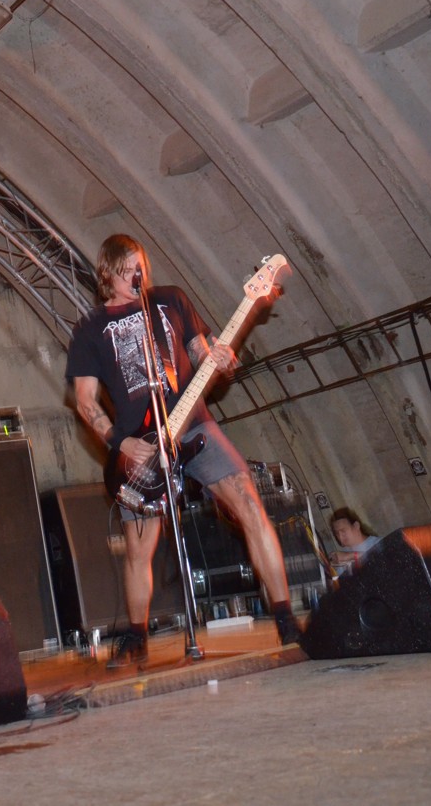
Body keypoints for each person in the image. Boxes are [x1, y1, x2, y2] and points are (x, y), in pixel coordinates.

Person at [65, 234, 301, 667]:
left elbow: (202, 353)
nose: (137, 276)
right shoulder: (90, 329)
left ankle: (286, 618)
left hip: (195, 427)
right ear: (108, 273)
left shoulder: (171, 300)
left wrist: (221, 359)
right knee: (140, 550)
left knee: (250, 504)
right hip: (142, 450)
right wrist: (121, 442)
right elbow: (84, 400)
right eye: (127, 270)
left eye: (140, 267)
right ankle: (136, 636)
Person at [329, 507, 380, 575]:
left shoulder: (377, 543)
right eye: (337, 533)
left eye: (343, 530)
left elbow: (379, 564)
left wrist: (351, 555)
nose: (340, 536)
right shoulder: (344, 553)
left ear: (356, 526)